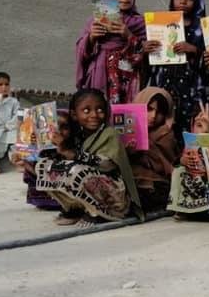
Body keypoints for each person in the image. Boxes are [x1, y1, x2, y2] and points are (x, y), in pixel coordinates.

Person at [35, 88, 143, 226]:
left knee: (77, 171)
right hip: (89, 183)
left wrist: (74, 155)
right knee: (45, 165)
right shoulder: (73, 135)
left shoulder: (109, 134)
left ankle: (98, 212)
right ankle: (75, 208)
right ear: (74, 115)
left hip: (113, 194)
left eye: (100, 110)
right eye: (86, 111)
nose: (94, 115)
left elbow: (107, 165)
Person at [147, 0, 208, 137]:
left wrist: (194, 50)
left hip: (192, 90)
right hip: (165, 86)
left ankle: (190, 159)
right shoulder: (160, 26)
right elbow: (150, 65)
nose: (183, 1)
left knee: (191, 127)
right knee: (164, 128)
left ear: (197, 1)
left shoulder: (202, 30)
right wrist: (147, 49)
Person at [75, 0, 146, 104]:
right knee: (99, 111)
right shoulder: (94, 22)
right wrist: (91, 38)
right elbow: (81, 52)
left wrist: (129, 36)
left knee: (126, 118)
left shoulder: (141, 23)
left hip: (128, 77)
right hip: (100, 75)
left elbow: (149, 54)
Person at [129, 87, 179, 212]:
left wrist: (145, 148)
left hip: (157, 184)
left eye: (160, 112)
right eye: (149, 109)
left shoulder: (166, 135)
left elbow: (164, 167)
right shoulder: (127, 131)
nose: (153, 116)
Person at [0, 71, 19, 174]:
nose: (4, 87)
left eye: (6, 84)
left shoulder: (13, 101)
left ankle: (17, 162)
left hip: (8, 128)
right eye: (0, 84)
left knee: (16, 142)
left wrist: (10, 125)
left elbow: (17, 115)